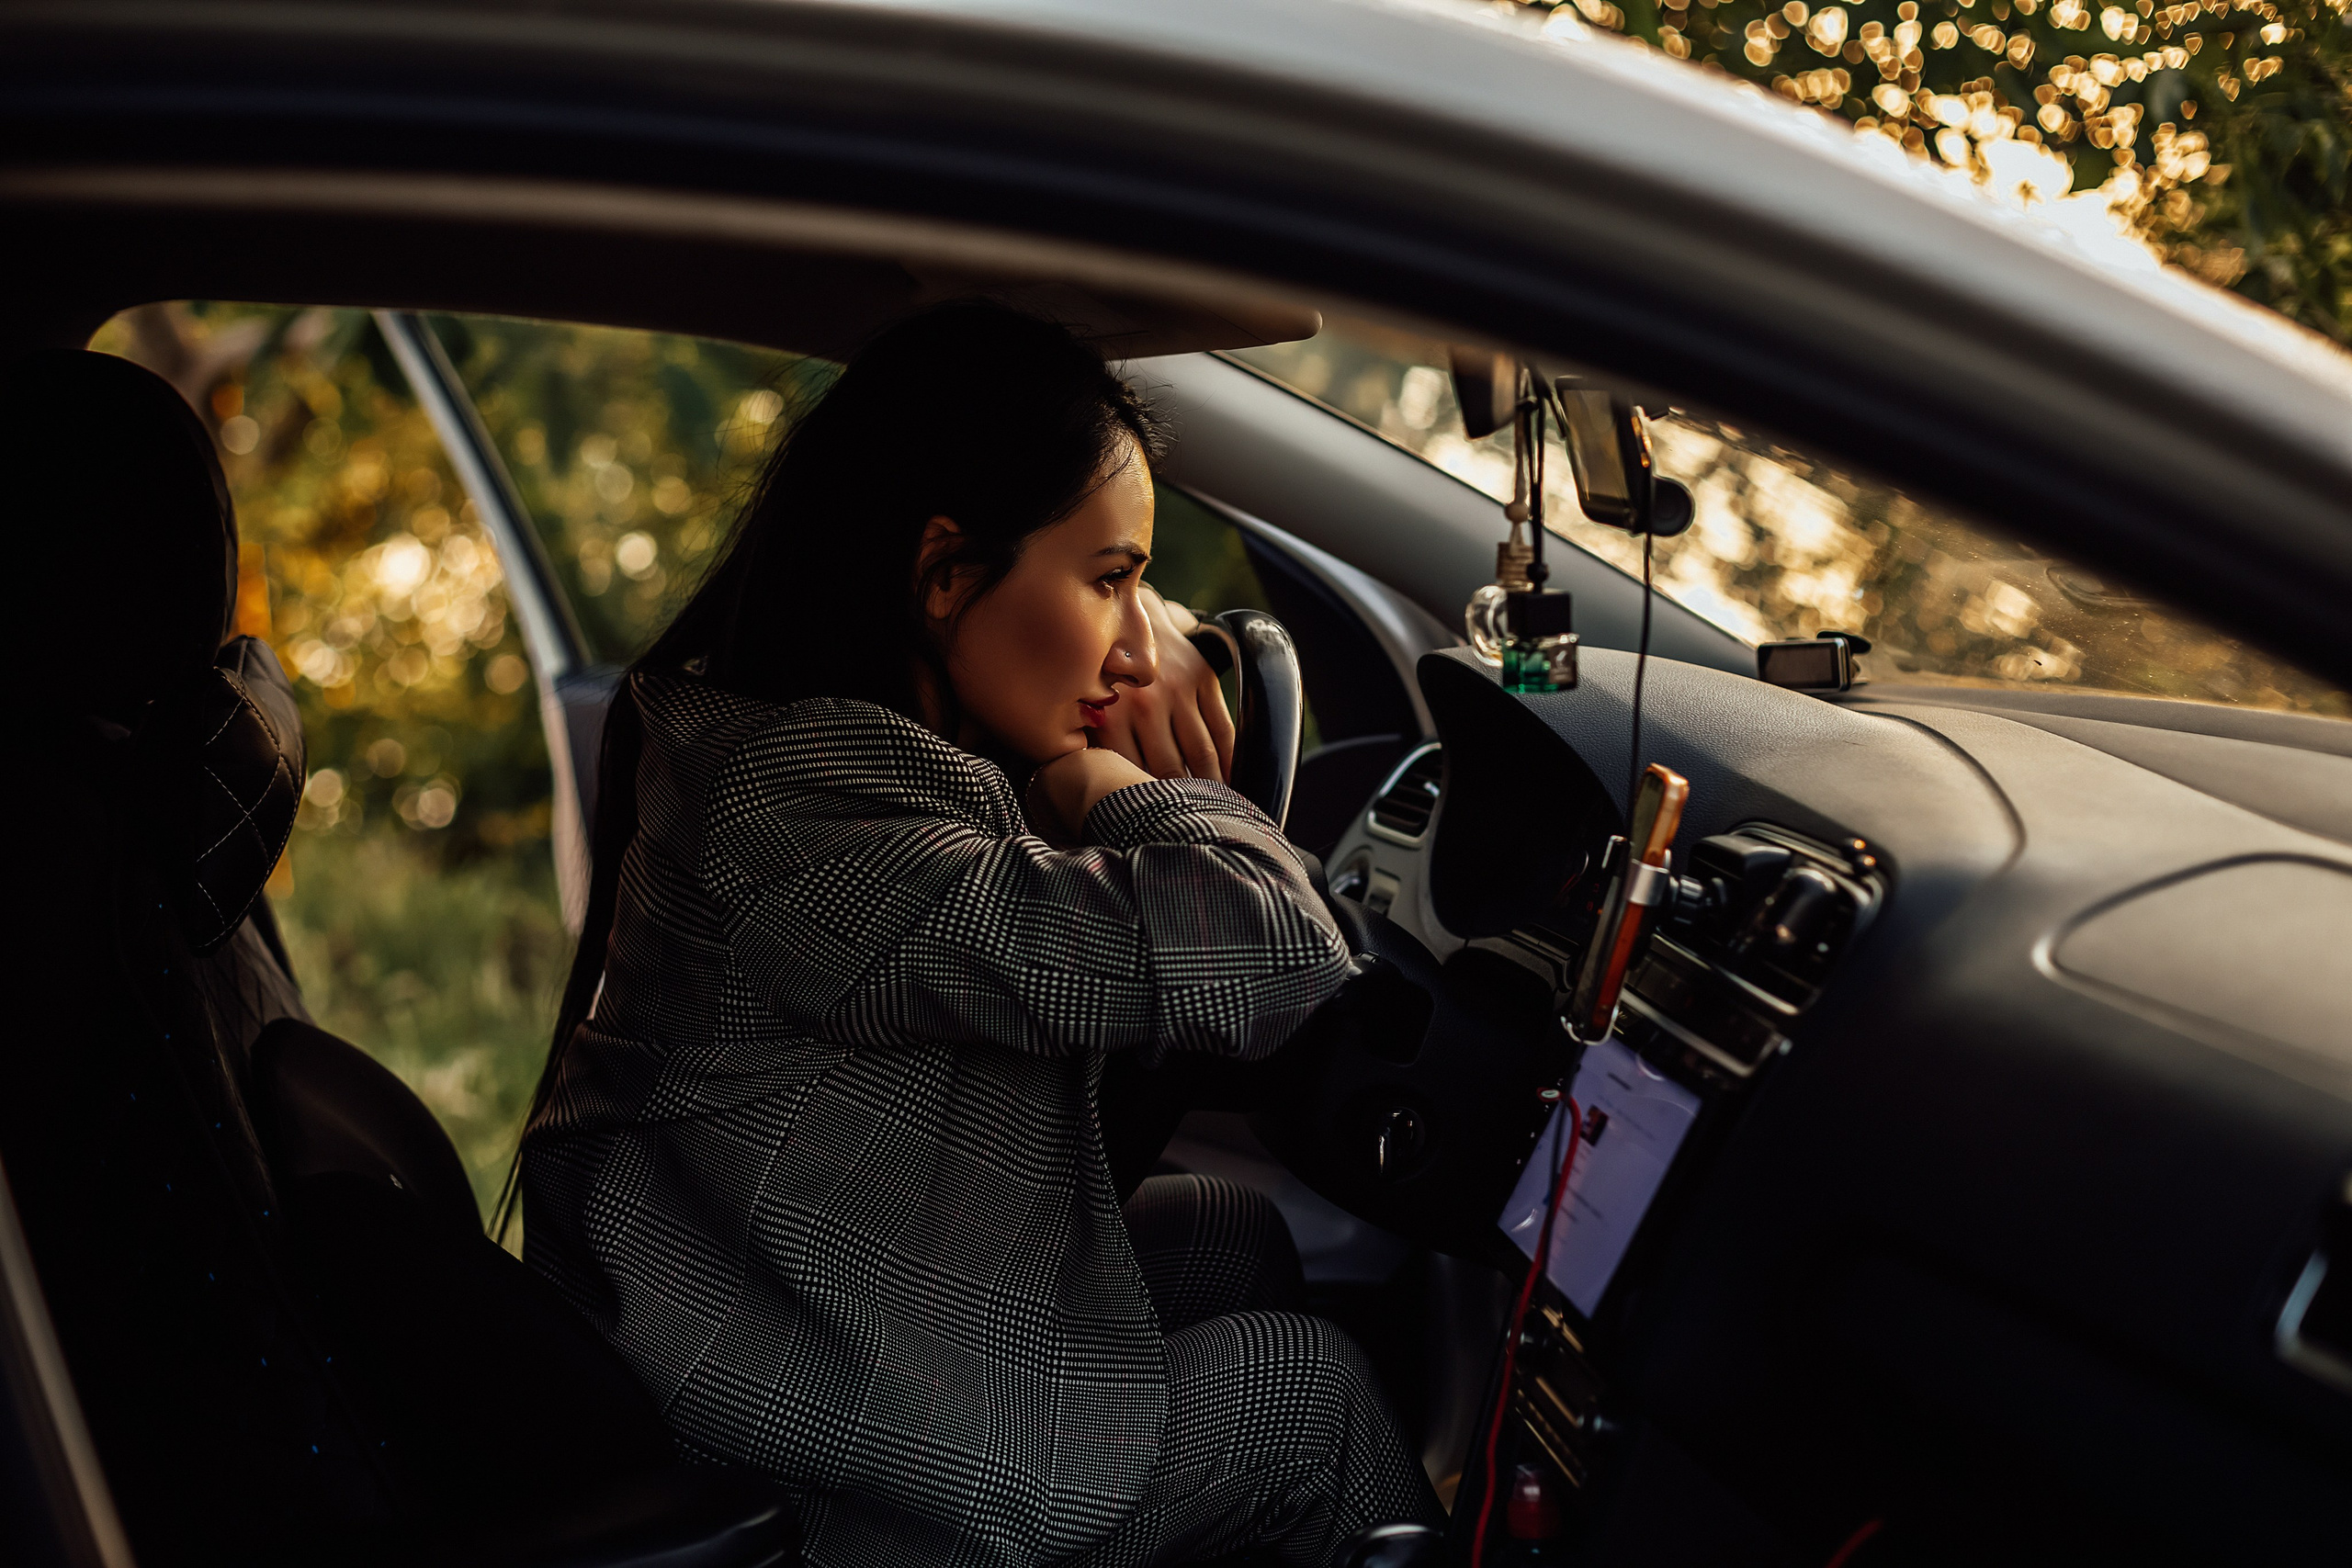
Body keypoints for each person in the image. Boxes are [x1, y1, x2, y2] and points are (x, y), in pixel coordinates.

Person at [519, 300, 1441, 1568]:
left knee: (1227, 1236)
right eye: (1111, 582)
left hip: (788, 1322)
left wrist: (1093, 677)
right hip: (809, 1455)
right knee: (1305, 1399)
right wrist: (1102, 779)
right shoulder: (813, 822)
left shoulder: (804, 758)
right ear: (945, 575)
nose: (1138, 648)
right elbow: (1275, 947)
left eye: (1143, 586)